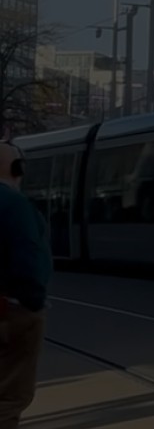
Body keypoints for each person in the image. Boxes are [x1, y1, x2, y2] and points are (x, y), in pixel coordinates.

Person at [0, 141, 51, 428]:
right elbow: (29, 257)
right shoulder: (15, 205)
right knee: (10, 396)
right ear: (19, 169)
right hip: (11, 308)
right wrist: (32, 302)